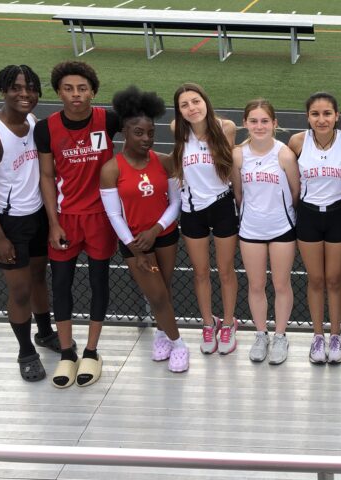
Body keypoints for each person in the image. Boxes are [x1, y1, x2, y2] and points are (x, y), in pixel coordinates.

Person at [0, 65, 56, 381]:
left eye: (31, 88)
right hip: (9, 224)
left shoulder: (32, 122)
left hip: (36, 216)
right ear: (3, 90)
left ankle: (45, 333)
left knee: (38, 279)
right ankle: (25, 352)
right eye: (17, 88)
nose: (25, 94)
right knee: (19, 291)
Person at [36, 61, 119, 388]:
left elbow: (143, 131)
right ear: (59, 92)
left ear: (93, 92)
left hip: (100, 218)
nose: (75, 95)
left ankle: (92, 350)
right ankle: (67, 352)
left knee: (100, 283)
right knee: (61, 285)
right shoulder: (45, 128)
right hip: (66, 219)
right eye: (68, 89)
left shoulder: (108, 120)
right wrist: (53, 223)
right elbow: (46, 175)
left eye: (82, 88)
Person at [100, 86, 189, 373]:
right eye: (138, 132)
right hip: (134, 241)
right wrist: (136, 245)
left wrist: (157, 228)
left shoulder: (164, 161)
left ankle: (162, 334)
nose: (146, 138)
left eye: (150, 133)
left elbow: (176, 202)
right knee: (157, 294)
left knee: (164, 289)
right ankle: (179, 344)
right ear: (125, 132)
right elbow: (114, 214)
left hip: (165, 236)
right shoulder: (111, 169)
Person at [288, 93, 341, 364]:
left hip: (338, 215)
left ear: (337, 115)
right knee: (315, 279)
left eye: (327, 113)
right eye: (315, 114)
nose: (321, 119)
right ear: (308, 117)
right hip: (308, 215)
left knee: (334, 279)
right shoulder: (297, 142)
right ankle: (317, 335)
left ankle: (336, 335)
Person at [171, 83, 239, 355]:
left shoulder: (226, 127)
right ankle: (208, 322)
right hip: (192, 209)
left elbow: (231, 166)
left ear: (206, 102)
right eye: (184, 105)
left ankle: (229, 323)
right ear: (179, 111)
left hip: (222, 205)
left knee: (225, 270)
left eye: (196, 101)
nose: (192, 108)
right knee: (200, 271)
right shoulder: (178, 129)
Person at [232, 99, 300, 365]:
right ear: (245, 123)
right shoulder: (239, 154)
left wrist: (278, 214)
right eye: (253, 121)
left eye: (264, 121)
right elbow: (238, 193)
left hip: (281, 228)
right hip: (250, 229)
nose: (259, 126)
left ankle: (280, 336)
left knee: (281, 284)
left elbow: (295, 193)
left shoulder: (284, 155)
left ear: (274, 123)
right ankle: (261, 334)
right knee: (256, 285)